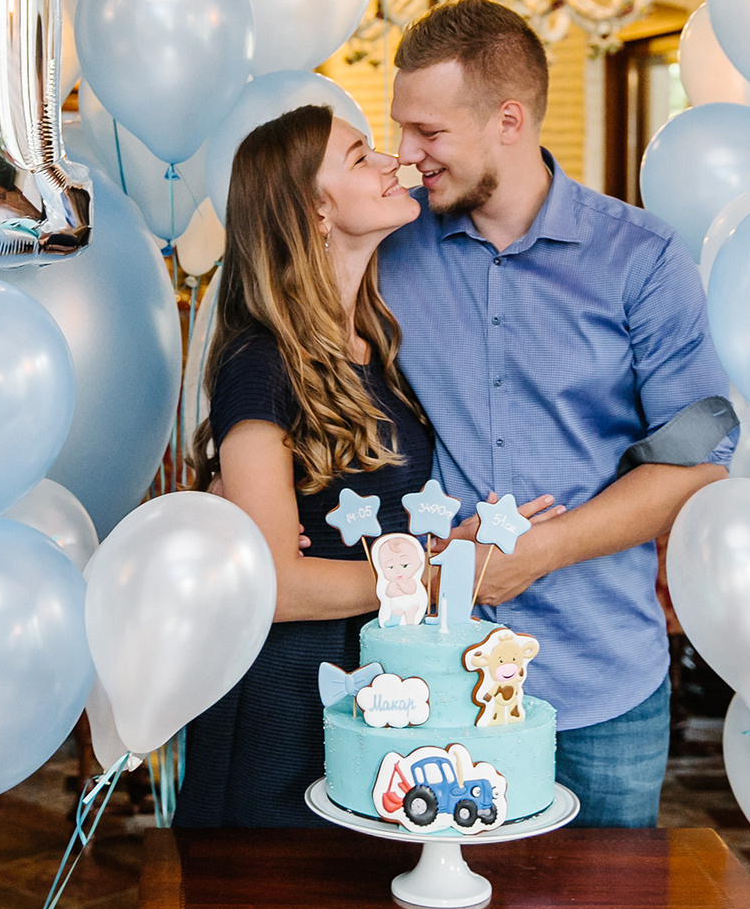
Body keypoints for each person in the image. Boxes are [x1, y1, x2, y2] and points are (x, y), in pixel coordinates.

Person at [378, 0, 738, 828]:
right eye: (401, 130)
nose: (407, 156)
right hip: (435, 680)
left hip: (601, 680)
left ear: (509, 119)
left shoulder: (641, 260)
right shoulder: (390, 252)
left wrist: (536, 553)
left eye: (428, 134)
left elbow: (698, 460)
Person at [175, 103, 561, 829]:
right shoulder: (259, 363)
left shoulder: (374, 347)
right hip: (284, 702)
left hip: (375, 694)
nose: (393, 162)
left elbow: (378, 529)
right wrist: (439, 577)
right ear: (314, 211)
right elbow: (274, 587)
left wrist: (448, 549)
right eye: (360, 157)